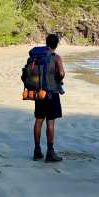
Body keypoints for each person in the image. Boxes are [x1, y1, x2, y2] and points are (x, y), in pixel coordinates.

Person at [32, 33, 66, 162]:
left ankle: (37, 150)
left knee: (38, 120)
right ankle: (50, 152)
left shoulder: (37, 56)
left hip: (39, 92)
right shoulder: (56, 57)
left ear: (46, 43)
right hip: (52, 93)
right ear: (56, 44)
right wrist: (58, 77)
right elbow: (62, 73)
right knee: (50, 122)